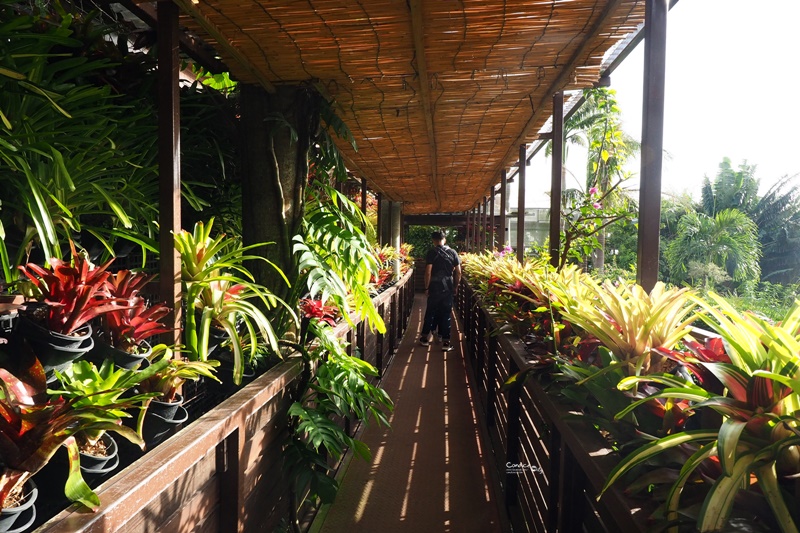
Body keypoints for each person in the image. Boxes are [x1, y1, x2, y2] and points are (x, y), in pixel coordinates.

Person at [420, 230, 461, 351]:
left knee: (430, 312)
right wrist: (455, 286)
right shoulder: (453, 253)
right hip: (447, 287)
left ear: (433, 240)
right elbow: (458, 272)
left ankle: (425, 339)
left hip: (434, 287)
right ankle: (446, 343)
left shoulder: (432, 252)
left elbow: (428, 272)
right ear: (445, 239)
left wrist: (426, 287)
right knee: (446, 314)